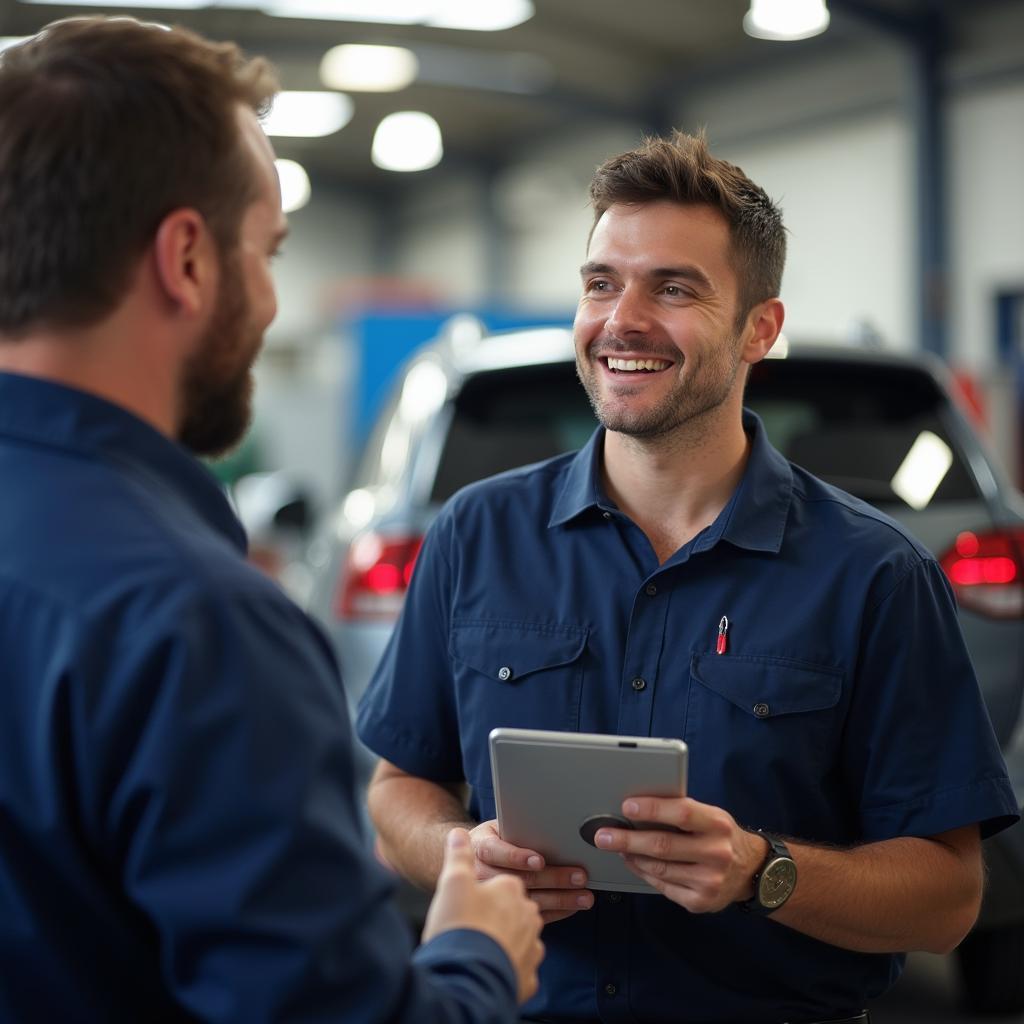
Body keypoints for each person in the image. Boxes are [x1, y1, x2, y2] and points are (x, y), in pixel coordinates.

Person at [357, 130, 1020, 1024]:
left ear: (761, 329)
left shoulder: (873, 573)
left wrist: (763, 871)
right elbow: (399, 786)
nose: (621, 320)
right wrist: (458, 855)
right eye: (601, 283)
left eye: (672, 288)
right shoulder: (477, 533)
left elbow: (947, 899)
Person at [0, 16, 544, 1024]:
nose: (268, 296)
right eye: (268, 250)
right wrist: (474, 953)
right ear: (188, 259)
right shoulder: (192, 623)